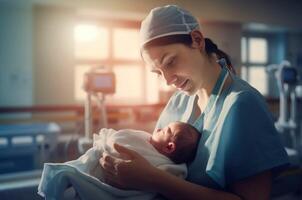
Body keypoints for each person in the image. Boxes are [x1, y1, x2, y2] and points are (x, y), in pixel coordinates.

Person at [99, 5, 289, 200]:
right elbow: (157, 158)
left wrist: (153, 179)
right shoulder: (179, 102)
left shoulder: (243, 105)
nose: (167, 80)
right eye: (158, 72)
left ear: (197, 40)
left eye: (170, 62)